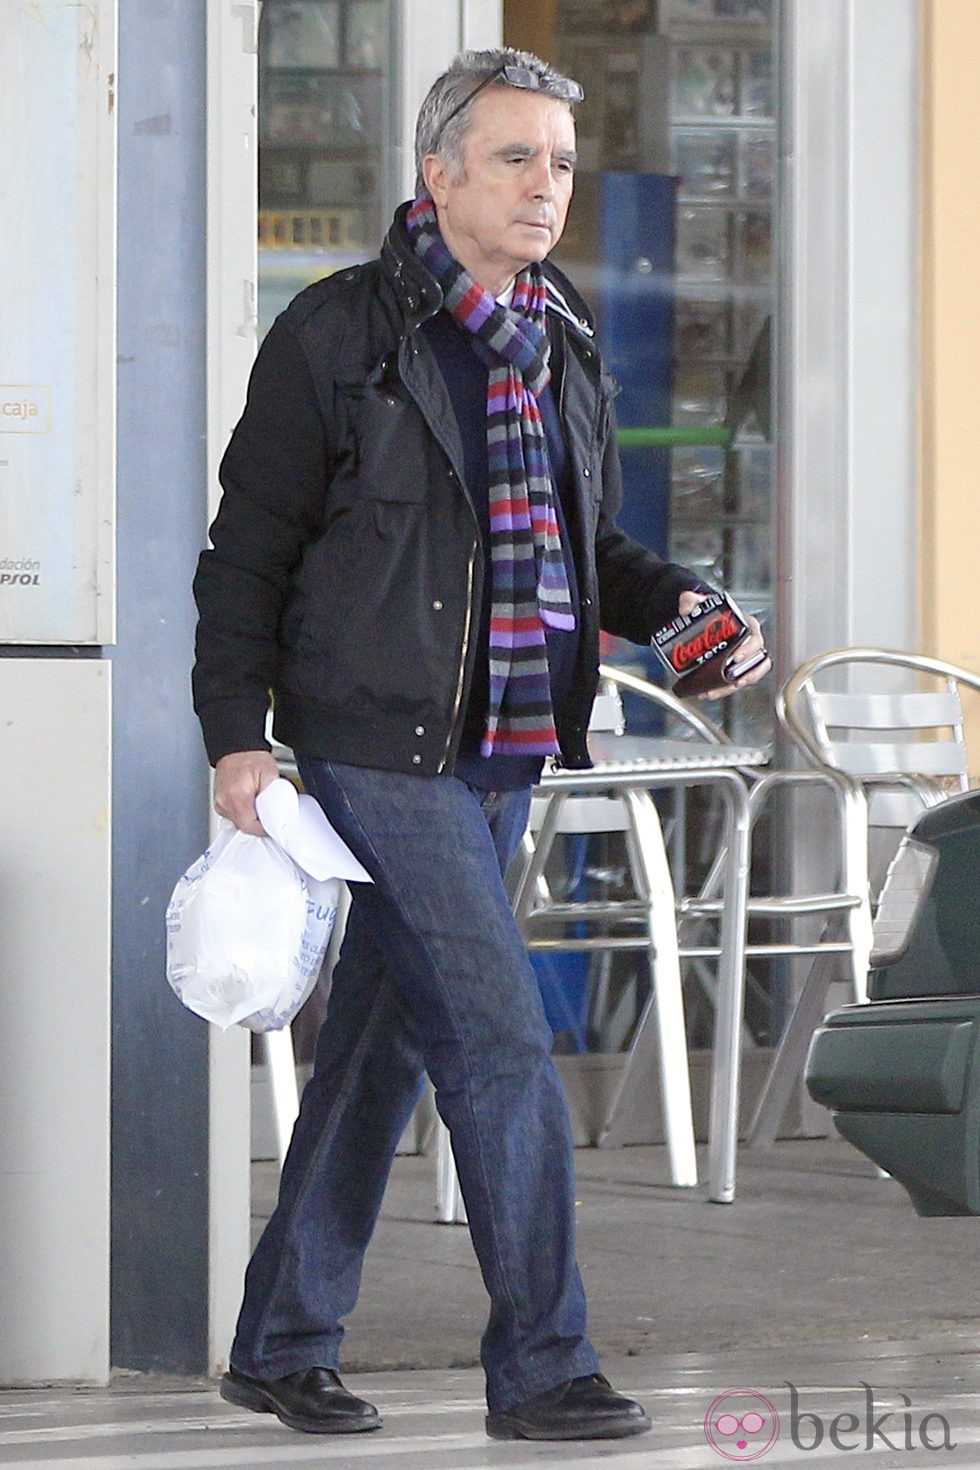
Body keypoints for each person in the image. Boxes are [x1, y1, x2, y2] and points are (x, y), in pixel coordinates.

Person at [192, 46, 769, 1444]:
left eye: (560, 162)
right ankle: (544, 1362)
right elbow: (244, 557)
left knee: (381, 1050)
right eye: (515, 157)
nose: (545, 186)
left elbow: (591, 546)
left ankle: (281, 1338)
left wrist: (683, 608)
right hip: (373, 748)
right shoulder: (341, 337)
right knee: (503, 1037)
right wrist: (236, 741)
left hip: (505, 748)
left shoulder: (558, 327)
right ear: (437, 169)